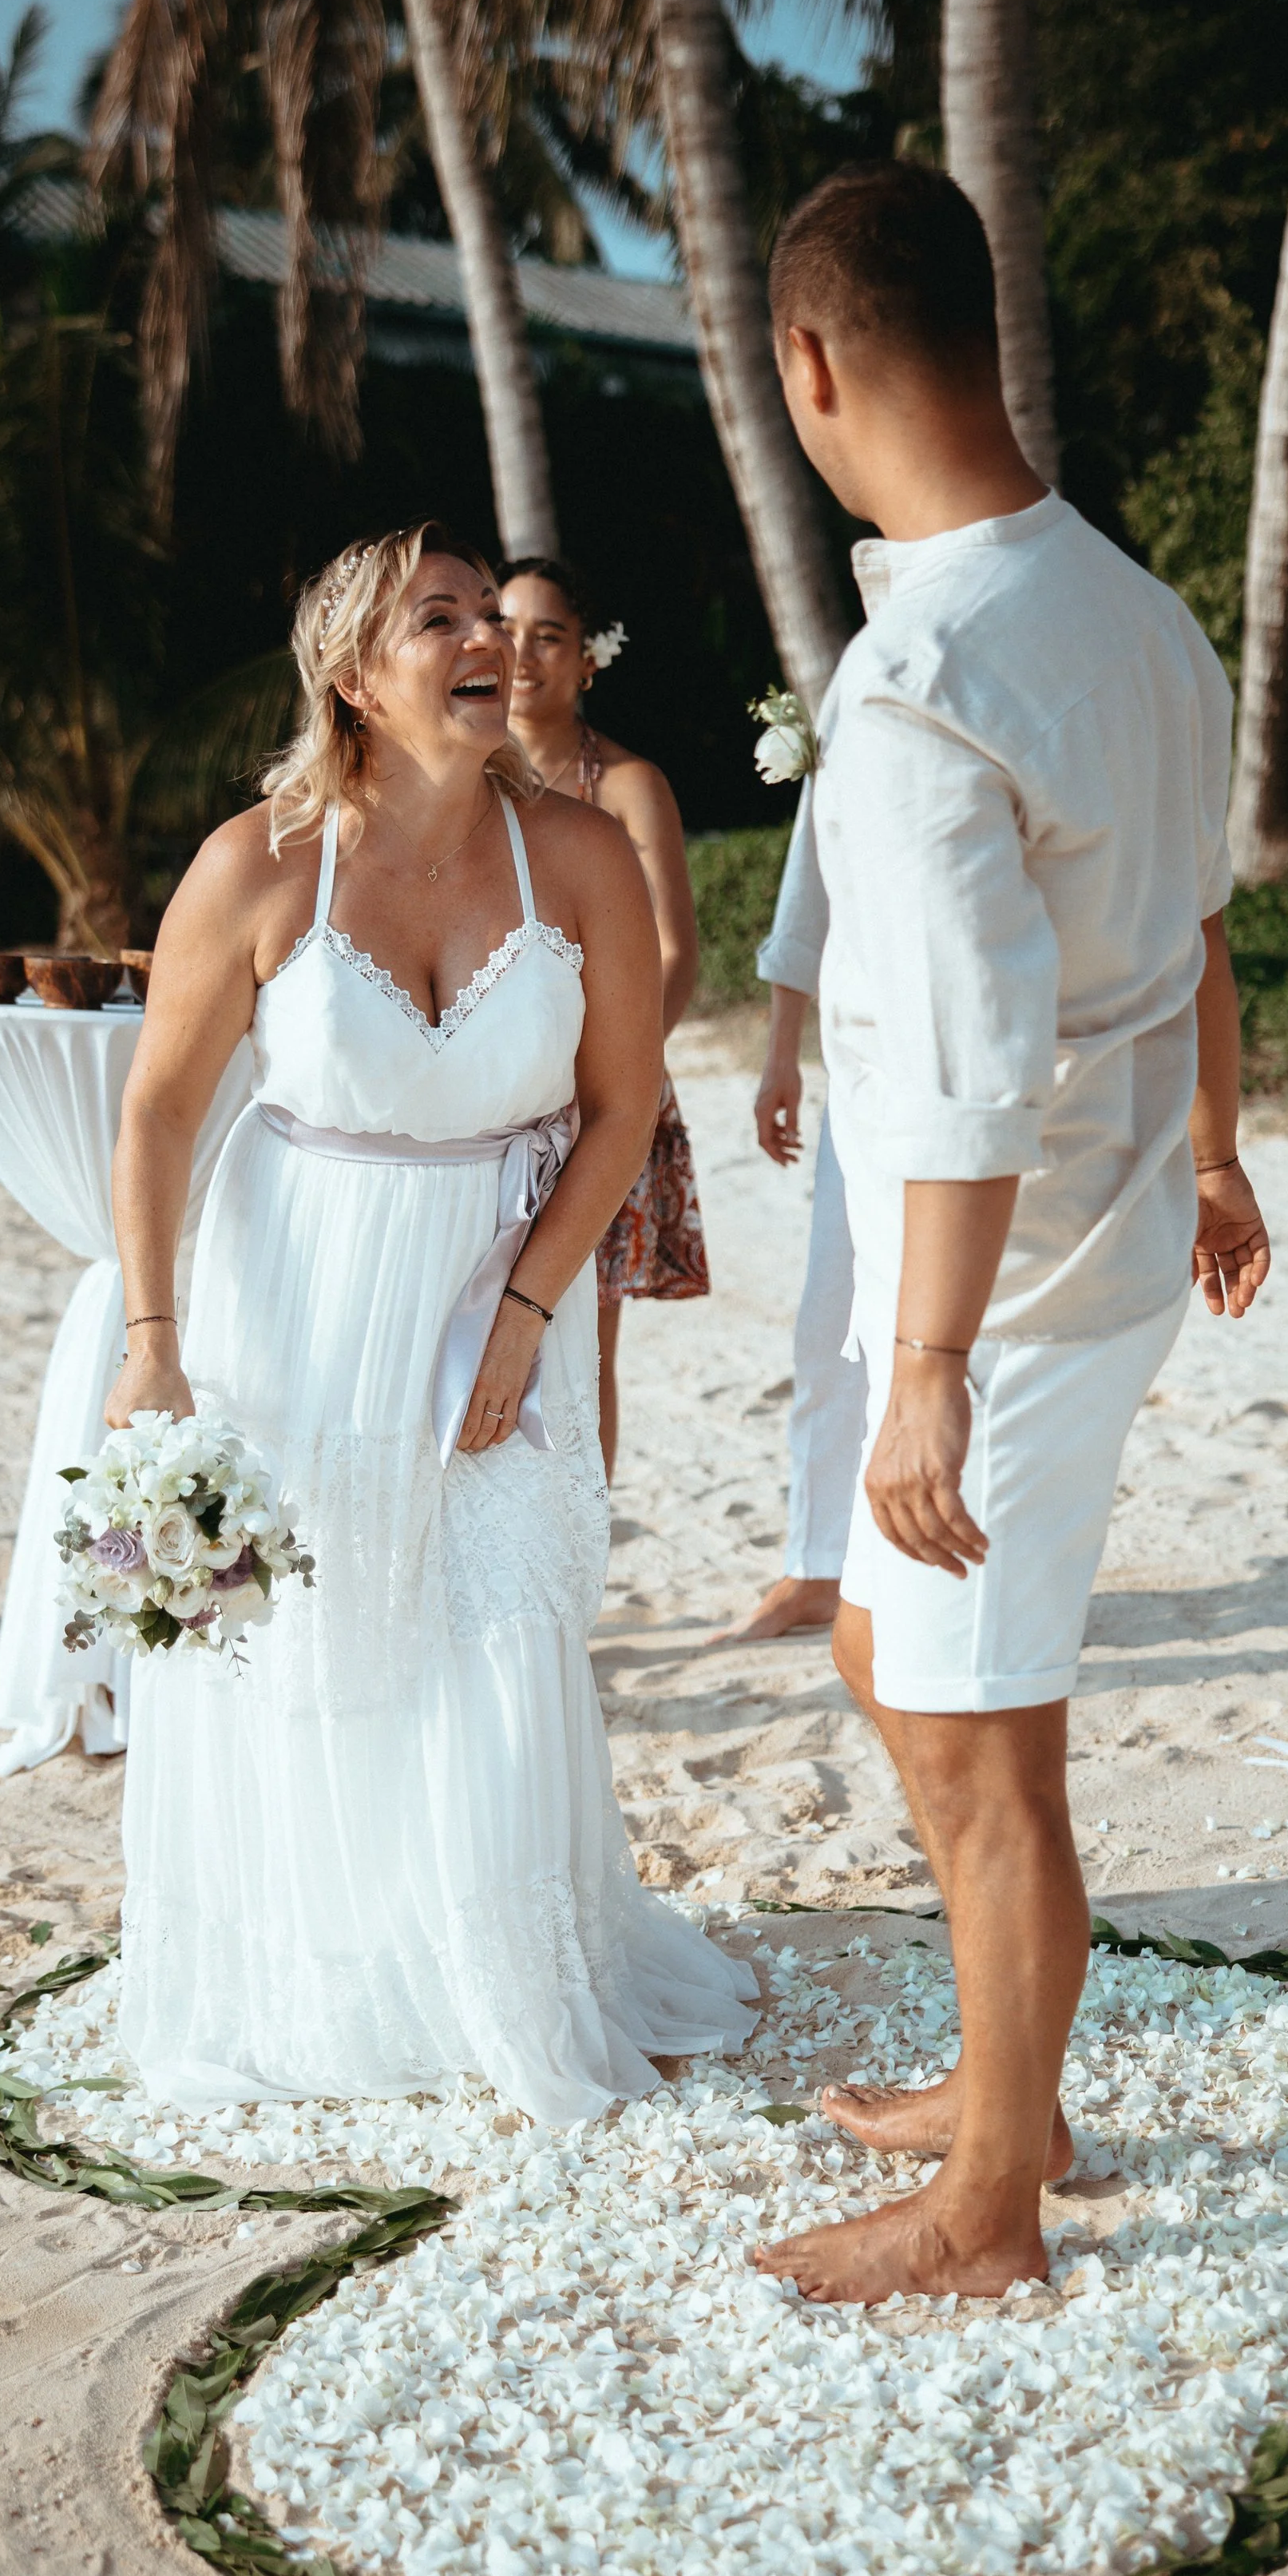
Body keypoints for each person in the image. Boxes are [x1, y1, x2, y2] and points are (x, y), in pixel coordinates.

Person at [745, 165, 1271, 2306]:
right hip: (1104, 1221)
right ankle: (1007, 2083)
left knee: (977, 1743)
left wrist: (926, 1368)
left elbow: (965, 1062)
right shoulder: (1135, 611)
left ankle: (992, 2196)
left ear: (809, 365)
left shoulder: (927, 673)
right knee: (905, 1660)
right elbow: (1199, 930)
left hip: (1017, 1281)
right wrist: (1221, 1153)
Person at [105, 522, 755, 2127]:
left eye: (495, 618)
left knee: (490, 1637)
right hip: (297, 1304)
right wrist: (151, 1340)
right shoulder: (254, 866)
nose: (489, 645)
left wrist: (530, 1312)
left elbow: (621, 1110)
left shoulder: (580, 853)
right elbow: (156, 1119)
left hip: (494, 1288)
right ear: (351, 674)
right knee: (305, 1648)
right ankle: (336, 1961)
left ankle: (506, 1977)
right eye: (439, 621)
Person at [499, 557, 708, 1480]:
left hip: (599, 1099)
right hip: (481, 1099)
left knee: (579, 1345)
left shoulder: (627, 786)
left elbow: (677, 953)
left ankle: (578, 1571)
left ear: (588, 661)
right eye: (504, 629)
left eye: (548, 636)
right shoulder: (458, 784)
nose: (521, 653)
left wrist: (602, 1076)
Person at [718, 787, 865, 1642]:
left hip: (1020, 1059)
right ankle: (818, 1566)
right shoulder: (849, 698)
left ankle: (981, 1571)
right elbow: (806, 895)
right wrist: (781, 1056)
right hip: (865, 1067)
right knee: (830, 1319)